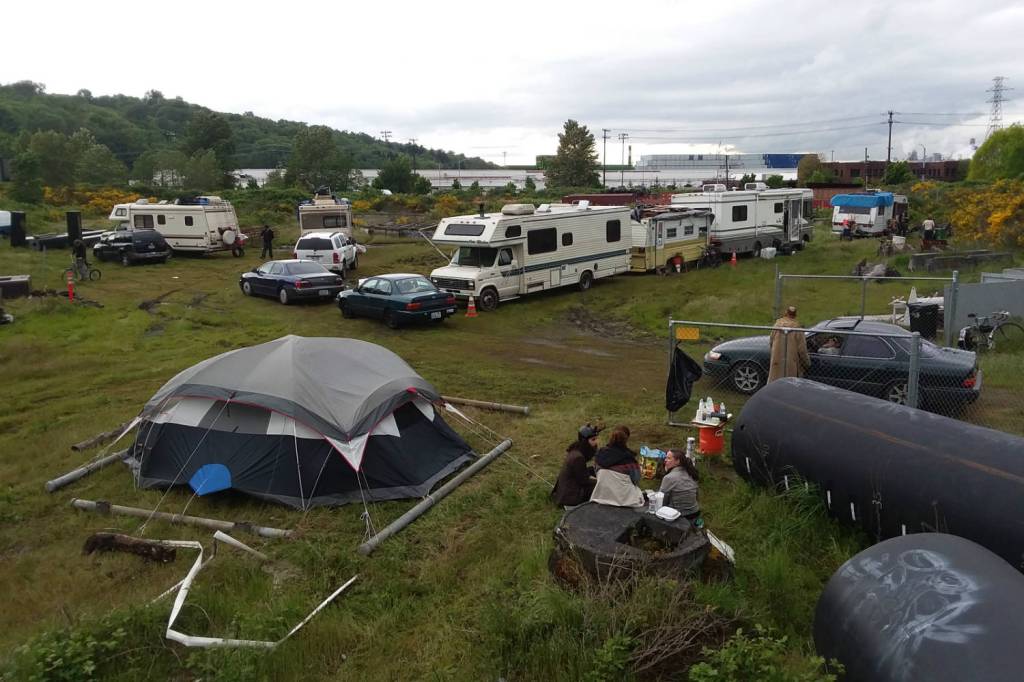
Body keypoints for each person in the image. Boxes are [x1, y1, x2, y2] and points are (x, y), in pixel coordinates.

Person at [590, 426, 645, 508]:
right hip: (625, 500)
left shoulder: (599, 455)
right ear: (626, 439)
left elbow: (597, 473)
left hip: (602, 496)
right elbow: (636, 479)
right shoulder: (629, 460)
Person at [550, 424, 600, 509]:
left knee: (592, 470)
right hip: (570, 497)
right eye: (593, 439)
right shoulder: (578, 458)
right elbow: (584, 480)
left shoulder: (576, 450)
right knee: (598, 486)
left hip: (567, 488)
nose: (596, 442)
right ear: (585, 441)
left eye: (596, 439)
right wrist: (599, 481)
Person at [768, 305, 810, 383]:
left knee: (775, 382)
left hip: (777, 360)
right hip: (791, 362)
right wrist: (807, 363)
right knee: (789, 383)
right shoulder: (798, 328)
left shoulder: (777, 325)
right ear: (795, 315)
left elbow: (771, 341)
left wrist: (773, 354)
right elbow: (802, 349)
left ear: (786, 313)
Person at [660, 450, 702, 526]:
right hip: (696, 513)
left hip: (681, 516)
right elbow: (697, 496)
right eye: (666, 458)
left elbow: (661, 501)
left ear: (677, 461)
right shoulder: (691, 473)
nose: (665, 460)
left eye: (669, 458)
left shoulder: (669, 478)